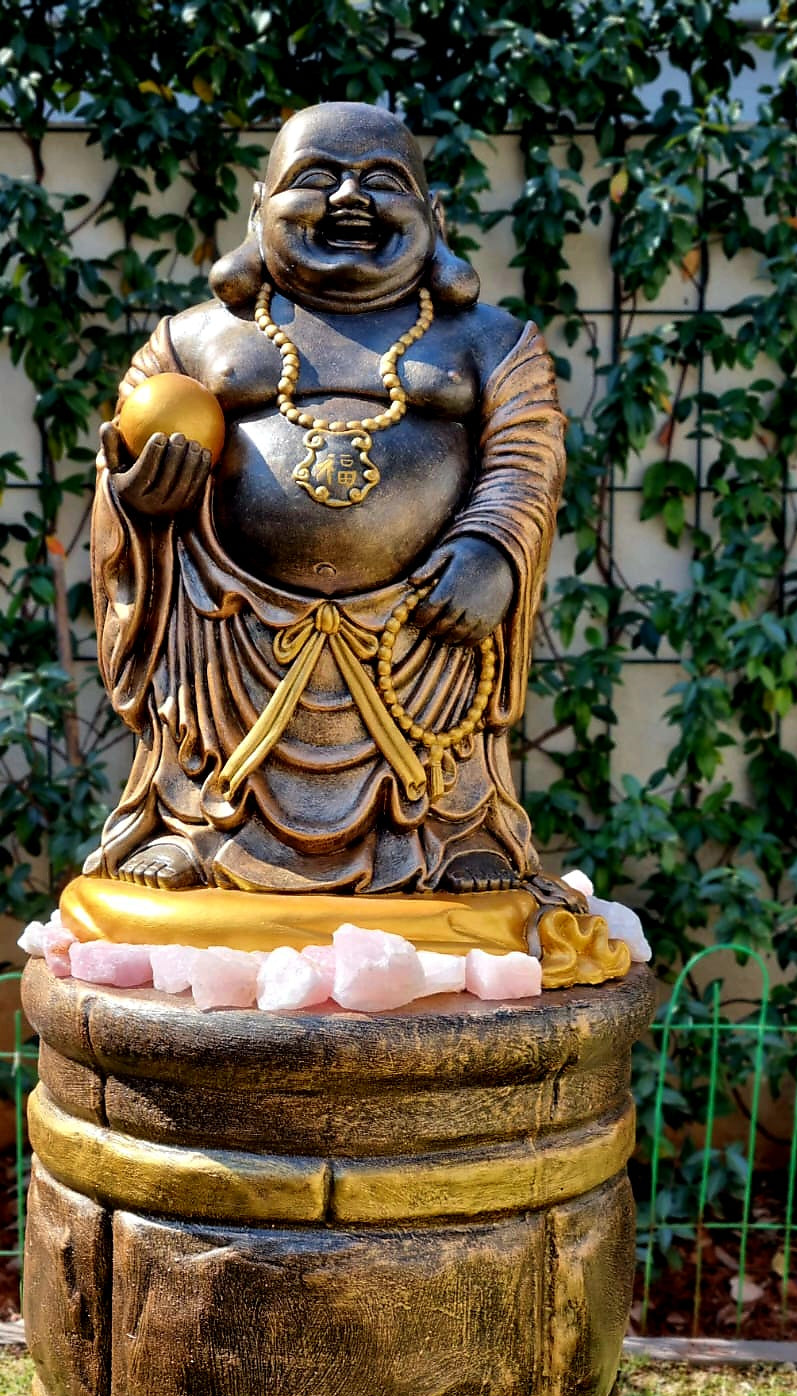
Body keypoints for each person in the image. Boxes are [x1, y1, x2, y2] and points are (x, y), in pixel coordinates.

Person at [85, 101, 571, 905]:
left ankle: (455, 832)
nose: (351, 199)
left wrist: (491, 548)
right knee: (201, 702)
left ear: (432, 216)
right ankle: (195, 829)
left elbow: (529, 450)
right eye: (316, 179)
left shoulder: (492, 341)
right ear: (258, 208)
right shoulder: (193, 338)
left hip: (420, 624)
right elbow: (124, 446)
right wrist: (139, 502)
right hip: (229, 618)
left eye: (385, 182)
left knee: (442, 738)